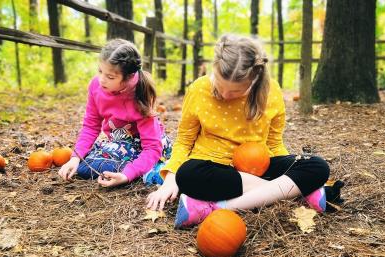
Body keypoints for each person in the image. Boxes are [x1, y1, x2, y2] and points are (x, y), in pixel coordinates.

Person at [146, 34, 332, 228]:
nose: (225, 95)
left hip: (259, 167)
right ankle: (289, 194)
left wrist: (290, 169)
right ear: (214, 67)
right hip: (214, 170)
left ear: (254, 81)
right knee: (187, 175)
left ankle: (220, 207)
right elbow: (184, 141)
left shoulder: (271, 92)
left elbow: (275, 144)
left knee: (317, 166)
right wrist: (171, 179)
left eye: (235, 92)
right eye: (219, 84)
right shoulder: (198, 89)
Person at [58, 39, 171, 187]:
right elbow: (91, 126)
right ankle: (142, 169)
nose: (101, 80)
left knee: (98, 165)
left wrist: (126, 176)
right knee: (83, 166)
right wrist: (75, 157)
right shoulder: (95, 87)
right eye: (100, 71)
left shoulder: (140, 93)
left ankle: (152, 169)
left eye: (110, 77)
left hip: (148, 145)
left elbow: (152, 146)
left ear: (129, 77)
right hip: (119, 143)